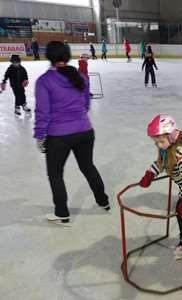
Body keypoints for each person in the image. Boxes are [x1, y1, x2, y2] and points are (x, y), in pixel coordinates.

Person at [34, 41, 110, 225]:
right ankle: (104, 202)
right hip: (85, 131)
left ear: (49, 56)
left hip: (59, 136)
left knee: (55, 173)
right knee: (87, 166)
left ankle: (62, 213)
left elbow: (42, 112)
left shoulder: (45, 80)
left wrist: (39, 135)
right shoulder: (79, 77)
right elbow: (85, 103)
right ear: (67, 56)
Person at [139, 114, 182, 260]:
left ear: (171, 136)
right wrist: (151, 173)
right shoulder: (169, 147)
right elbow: (162, 162)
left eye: (161, 141)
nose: (159, 145)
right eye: (156, 142)